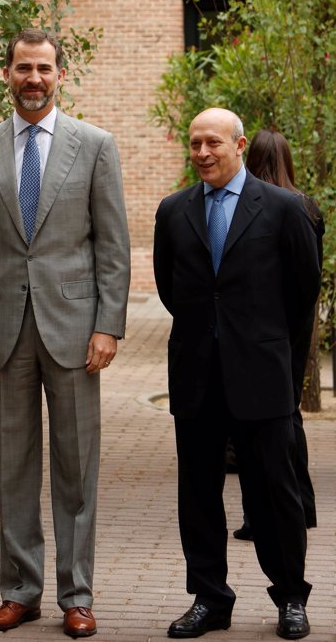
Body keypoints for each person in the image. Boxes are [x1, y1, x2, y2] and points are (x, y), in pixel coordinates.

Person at [0, 28, 131, 639]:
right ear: (7, 73)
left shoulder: (95, 145)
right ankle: (19, 591)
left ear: (60, 75)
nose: (33, 78)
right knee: (13, 467)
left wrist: (109, 324)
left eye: (44, 68)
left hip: (77, 331)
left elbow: (112, 247)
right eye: (23, 67)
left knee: (77, 469)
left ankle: (76, 594)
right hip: (0, 334)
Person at [153, 108, 321, 640]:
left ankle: (291, 596)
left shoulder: (282, 209)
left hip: (264, 376)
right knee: (198, 495)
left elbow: (303, 294)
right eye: (195, 143)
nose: (202, 153)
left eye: (213, 144)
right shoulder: (173, 211)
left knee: (276, 494)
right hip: (197, 376)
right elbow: (169, 288)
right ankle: (209, 599)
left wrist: (283, 367)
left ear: (240, 144)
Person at [232, 128, 324, 542]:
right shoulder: (307, 205)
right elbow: (310, 275)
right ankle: (301, 506)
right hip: (294, 326)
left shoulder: (265, 209)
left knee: (256, 422)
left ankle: (260, 515)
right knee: (289, 415)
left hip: (262, 328)